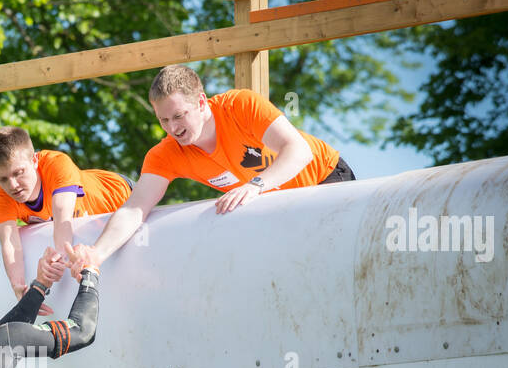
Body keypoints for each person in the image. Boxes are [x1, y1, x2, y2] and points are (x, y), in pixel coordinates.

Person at [72, 64, 355, 267]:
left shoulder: (241, 106)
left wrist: (255, 186)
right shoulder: (165, 154)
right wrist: (96, 255)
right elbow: (135, 209)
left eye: (179, 116)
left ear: (201, 102)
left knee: (340, 261)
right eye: (163, 120)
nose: (173, 128)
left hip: (325, 178)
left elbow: (299, 151)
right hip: (277, 203)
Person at [0, 126, 131, 313]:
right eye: (3, 179)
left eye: (18, 173)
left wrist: (59, 259)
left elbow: (62, 219)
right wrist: (19, 288)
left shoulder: (56, 163)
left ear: (34, 160)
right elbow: (10, 244)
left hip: (123, 196)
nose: (13, 185)